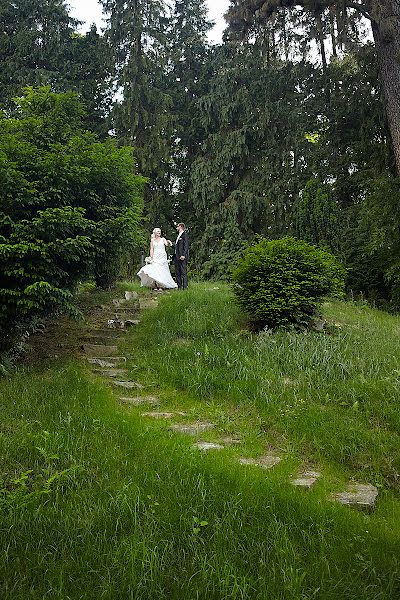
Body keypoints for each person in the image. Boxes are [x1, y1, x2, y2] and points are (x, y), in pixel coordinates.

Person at [174, 223, 189, 289]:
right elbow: (177, 246)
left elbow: (186, 245)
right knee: (177, 272)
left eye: (177, 226)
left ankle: (185, 287)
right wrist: (171, 244)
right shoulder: (178, 235)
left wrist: (184, 255)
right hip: (177, 256)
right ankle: (179, 286)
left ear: (180, 227)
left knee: (183, 272)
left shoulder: (184, 234)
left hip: (182, 256)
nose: (176, 228)